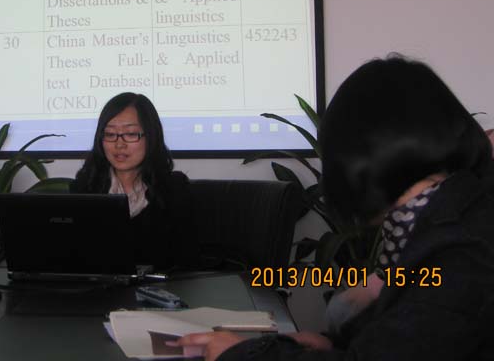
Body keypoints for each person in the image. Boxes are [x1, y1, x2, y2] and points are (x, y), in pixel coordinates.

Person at [174, 54, 494, 360]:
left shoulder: (461, 249)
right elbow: (407, 341)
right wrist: (334, 345)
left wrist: (241, 355)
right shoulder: (442, 219)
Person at [71, 92, 197, 271]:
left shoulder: (174, 189)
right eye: (110, 134)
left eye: (130, 134)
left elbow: (186, 259)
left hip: (159, 286)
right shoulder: (85, 188)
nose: (119, 144)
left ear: (151, 136)